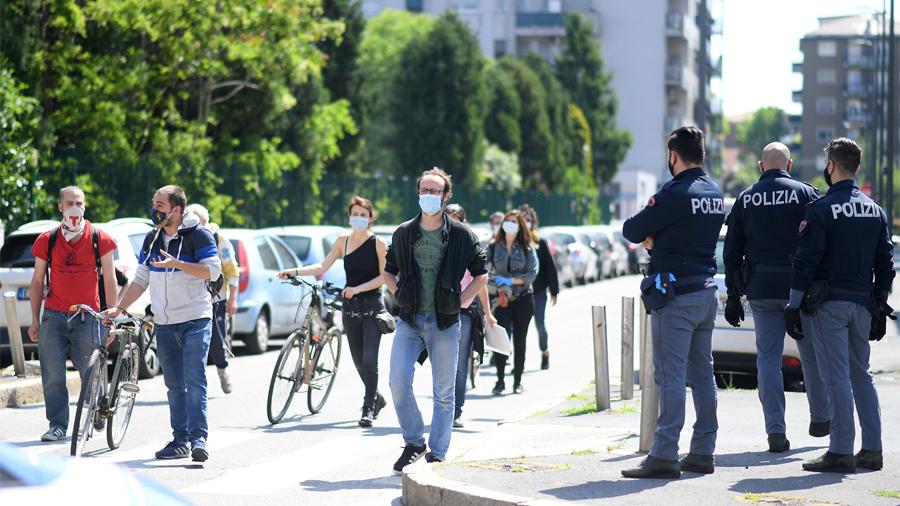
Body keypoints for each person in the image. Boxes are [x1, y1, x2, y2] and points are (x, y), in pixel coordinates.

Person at [621, 126, 725, 479]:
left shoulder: (674, 193)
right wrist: (663, 239)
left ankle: (665, 454)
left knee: (670, 376)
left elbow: (632, 230)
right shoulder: (714, 193)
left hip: (676, 296)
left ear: (673, 156)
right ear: (703, 155)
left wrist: (656, 240)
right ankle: (703, 451)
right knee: (703, 375)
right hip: (706, 292)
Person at [786, 138, 895, 473]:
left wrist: (793, 304)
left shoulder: (820, 209)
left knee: (836, 377)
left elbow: (806, 261)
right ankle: (872, 449)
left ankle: (840, 450)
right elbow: (886, 263)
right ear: (857, 167)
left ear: (831, 166)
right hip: (862, 303)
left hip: (828, 304)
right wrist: (880, 303)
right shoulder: (875, 210)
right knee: (862, 375)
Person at [722, 142, 829, 453]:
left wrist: (733, 295)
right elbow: (821, 241)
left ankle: (775, 432)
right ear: (789, 165)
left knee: (768, 359)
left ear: (761, 166)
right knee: (810, 354)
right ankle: (821, 419)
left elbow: (732, 251)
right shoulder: (806, 194)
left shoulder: (746, 198)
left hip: (761, 287)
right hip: (800, 288)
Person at [383, 167, 488, 473]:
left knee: (443, 392)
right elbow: (388, 271)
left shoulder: (461, 235)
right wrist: (399, 293)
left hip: (445, 322)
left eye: (435, 191)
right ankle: (414, 442)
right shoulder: (404, 232)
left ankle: (438, 452)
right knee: (398, 381)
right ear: (418, 193)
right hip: (410, 320)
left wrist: (462, 301)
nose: (428, 195)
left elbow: (481, 274)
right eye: (424, 190)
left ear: (445, 196)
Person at [106, 185, 221, 463]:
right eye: (154, 204)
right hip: (165, 323)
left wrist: (178, 264)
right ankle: (180, 440)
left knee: (195, 379)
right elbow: (141, 279)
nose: (154, 210)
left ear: (176, 210)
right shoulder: (152, 238)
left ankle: (199, 440)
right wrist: (119, 308)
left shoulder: (199, 235)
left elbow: (213, 271)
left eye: (160, 205)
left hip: (196, 318)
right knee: (174, 384)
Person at [278, 196, 389, 428]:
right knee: (359, 362)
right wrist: (293, 271)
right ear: (349, 216)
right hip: (350, 307)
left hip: (372, 307)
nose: (358, 218)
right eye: (355, 214)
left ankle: (368, 408)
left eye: (363, 215)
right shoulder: (342, 241)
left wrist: (358, 288)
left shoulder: (378, 243)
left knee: (370, 359)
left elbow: (385, 277)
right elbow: (322, 266)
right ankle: (376, 397)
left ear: (370, 218)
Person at [28, 186, 118, 442]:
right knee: (53, 375)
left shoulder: (99, 238)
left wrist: (110, 318)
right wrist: (34, 319)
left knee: (90, 371)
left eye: (79, 203)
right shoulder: (48, 239)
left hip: (89, 316)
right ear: (60, 207)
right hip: (54, 315)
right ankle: (57, 424)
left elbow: (110, 279)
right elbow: (37, 281)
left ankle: (97, 408)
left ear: (85, 206)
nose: (74, 208)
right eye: (69, 203)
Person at [446, 204, 496, 428]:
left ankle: (456, 410)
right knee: (443, 362)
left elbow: (480, 281)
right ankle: (443, 407)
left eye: (456, 219)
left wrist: (488, 312)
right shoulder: (437, 244)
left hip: (465, 311)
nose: (451, 224)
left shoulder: (470, 245)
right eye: (448, 219)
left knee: (459, 364)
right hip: (441, 311)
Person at [185, 204, 240, 395]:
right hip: (192, 300)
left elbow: (232, 271)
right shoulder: (185, 238)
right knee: (193, 343)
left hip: (216, 300)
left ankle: (223, 370)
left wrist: (233, 299)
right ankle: (194, 385)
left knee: (217, 342)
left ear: (204, 221)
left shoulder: (218, 239)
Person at [487, 210, 539, 395]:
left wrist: (512, 281)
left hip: (523, 299)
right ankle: (500, 381)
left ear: (520, 226)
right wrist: (499, 283)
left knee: (520, 340)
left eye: (514, 222)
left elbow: (532, 273)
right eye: (507, 221)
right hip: (502, 300)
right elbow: (483, 270)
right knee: (501, 340)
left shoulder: (527, 248)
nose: (510, 224)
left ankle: (517, 381)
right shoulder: (493, 247)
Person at [519, 204, 559, 370]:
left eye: (528, 219)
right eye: (522, 219)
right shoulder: (513, 242)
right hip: (519, 292)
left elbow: (550, 268)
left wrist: (554, 291)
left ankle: (544, 352)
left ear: (533, 222)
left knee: (540, 325)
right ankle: (519, 362)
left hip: (538, 292)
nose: (525, 222)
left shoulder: (540, 243)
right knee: (520, 329)